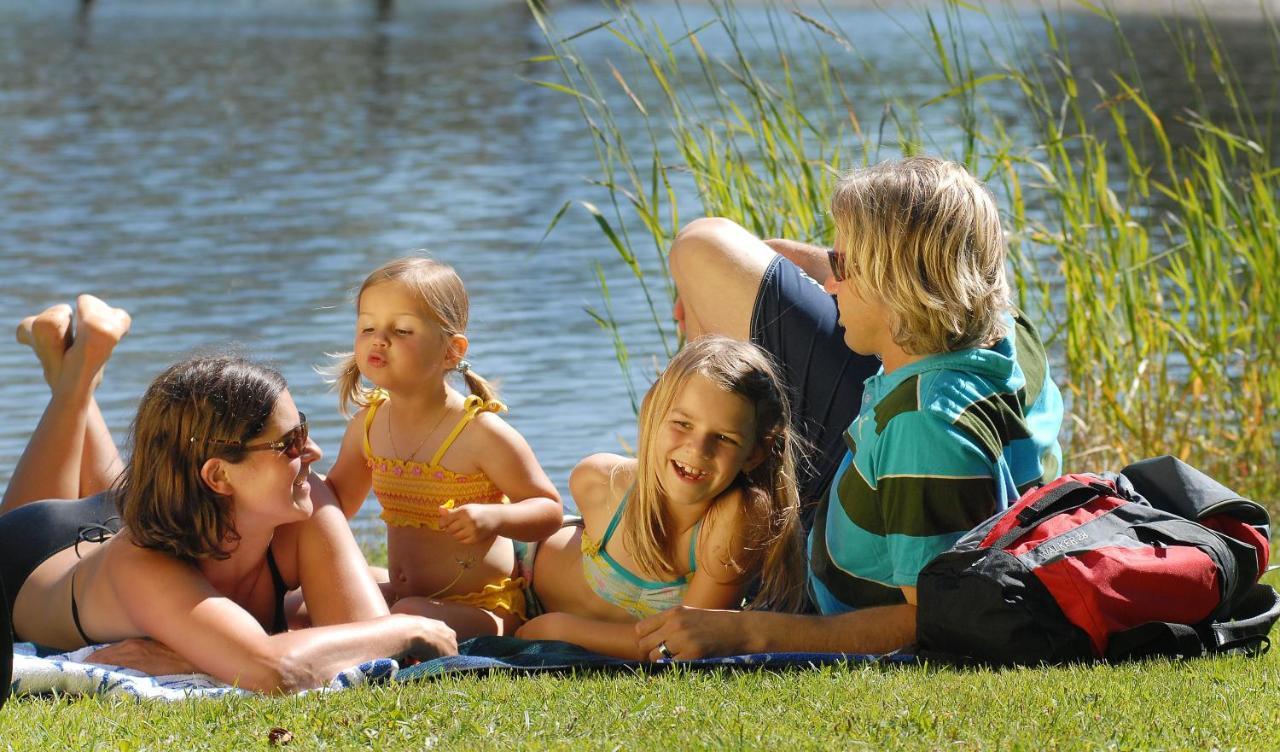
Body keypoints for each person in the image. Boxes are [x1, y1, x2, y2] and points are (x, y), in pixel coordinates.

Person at [637, 156, 1064, 658]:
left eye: (841, 265)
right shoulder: (994, 329)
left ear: (896, 282)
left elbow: (939, 621)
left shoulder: (923, 430)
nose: (829, 283)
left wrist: (747, 631)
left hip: (824, 604)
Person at [0, 296, 457, 694]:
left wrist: (200, 656)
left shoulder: (301, 501)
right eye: (289, 443)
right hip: (32, 552)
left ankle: (73, 360)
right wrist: (410, 626)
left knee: (129, 490)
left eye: (304, 429)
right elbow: (277, 669)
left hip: (144, 511)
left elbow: (362, 641)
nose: (314, 451)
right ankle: (75, 372)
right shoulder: (142, 567)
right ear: (219, 475)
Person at [514, 336, 808, 659]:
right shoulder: (602, 483)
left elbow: (679, 645)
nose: (697, 449)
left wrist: (560, 631)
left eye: (723, 438)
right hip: (515, 570)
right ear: (654, 412)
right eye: (683, 424)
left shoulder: (735, 519)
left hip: (547, 621)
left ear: (755, 453)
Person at [323, 257, 563, 639]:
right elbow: (336, 503)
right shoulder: (367, 426)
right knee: (307, 601)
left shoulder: (479, 432)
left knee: (403, 614)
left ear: (451, 351)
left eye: (401, 330)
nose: (379, 339)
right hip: (409, 597)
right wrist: (292, 477)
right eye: (368, 326)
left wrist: (494, 519)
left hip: (483, 608)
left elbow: (549, 509)